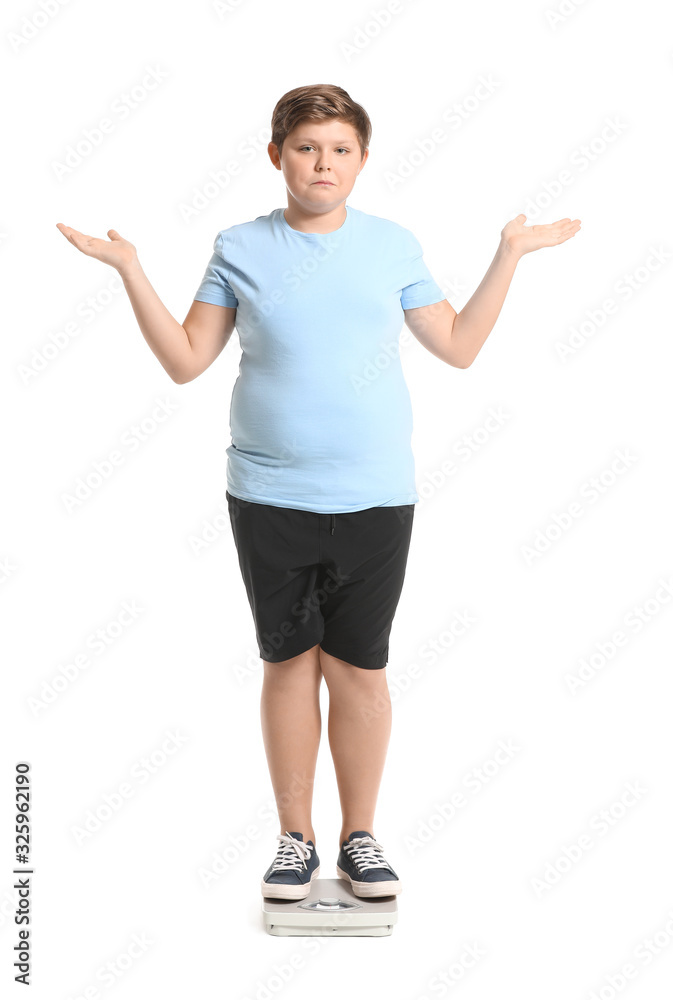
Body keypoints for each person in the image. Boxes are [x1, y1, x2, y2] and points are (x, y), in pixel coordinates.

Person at [56, 83, 581, 904]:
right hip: (268, 495)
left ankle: (360, 837)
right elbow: (188, 359)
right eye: (306, 148)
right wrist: (130, 270)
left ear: (362, 161)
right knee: (287, 663)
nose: (322, 163)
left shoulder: (391, 246)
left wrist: (507, 254)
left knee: (361, 669)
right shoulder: (239, 245)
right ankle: (293, 840)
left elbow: (458, 346)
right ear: (276, 157)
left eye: (339, 149)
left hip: (375, 496)